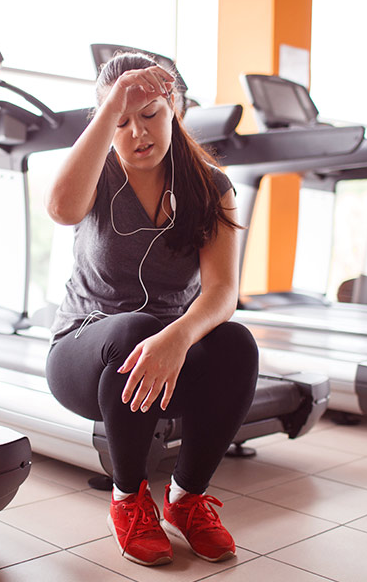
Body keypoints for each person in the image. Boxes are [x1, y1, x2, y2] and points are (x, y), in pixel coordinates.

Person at [44, 51, 258, 567]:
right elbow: (60, 208)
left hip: (168, 358)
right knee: (136, 328)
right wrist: (113, 101)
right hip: (85, 353)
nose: (137, 134)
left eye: (150, 116)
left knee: (236, 342)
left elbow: (222, 291)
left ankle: (186, 499)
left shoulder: (211, 186)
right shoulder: (96, 173)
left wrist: (178, 338)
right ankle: (129, 500)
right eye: (120, 121)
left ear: (175, 109)